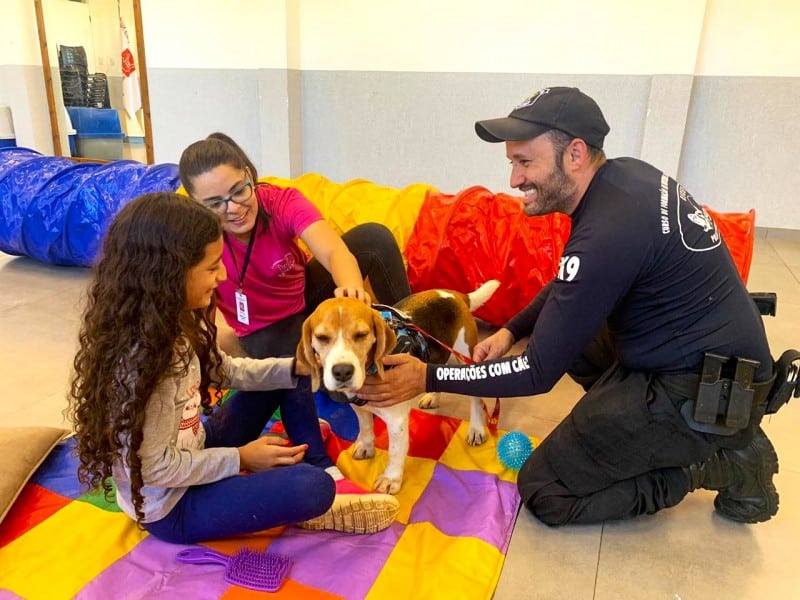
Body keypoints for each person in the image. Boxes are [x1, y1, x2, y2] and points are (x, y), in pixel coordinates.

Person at [358, 86, 793, 526]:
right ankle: (646, 431)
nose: (513, 180)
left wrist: (428, 375)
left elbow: (537, 372)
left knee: (547, 492)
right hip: (702, 357)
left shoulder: (608, 231)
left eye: (525, 162)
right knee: (567, 332)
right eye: (512, 163)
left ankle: (721, 463)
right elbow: (574, 281)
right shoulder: (623, 180)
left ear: (575, 154)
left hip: (699, 387)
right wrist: (511, 329)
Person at [67, 192, 399, 544]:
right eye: (212, 267)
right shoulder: (146, 361)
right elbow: (155, 468)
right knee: (311, 489)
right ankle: (315, 485)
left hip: (195, 449)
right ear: (169, 274)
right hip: (173, 506)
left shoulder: (172, 322)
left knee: (294, 369)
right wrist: (240, 458)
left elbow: (225, 370)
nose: (223, 275)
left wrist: (298, 366)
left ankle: (318, 460)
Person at [177, 133, 412, 509]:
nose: (234, 208)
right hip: (260, 329)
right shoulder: (193, 235)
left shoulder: (279, 200)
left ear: (251, 176)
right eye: (215, 203)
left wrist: (352, 292)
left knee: (374, 238)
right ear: (195, 204)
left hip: (304, 303)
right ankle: (319, 461)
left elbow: (334, 249)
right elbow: (194, 305)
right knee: (298, 368)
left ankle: (404, 342)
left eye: (240, 191)